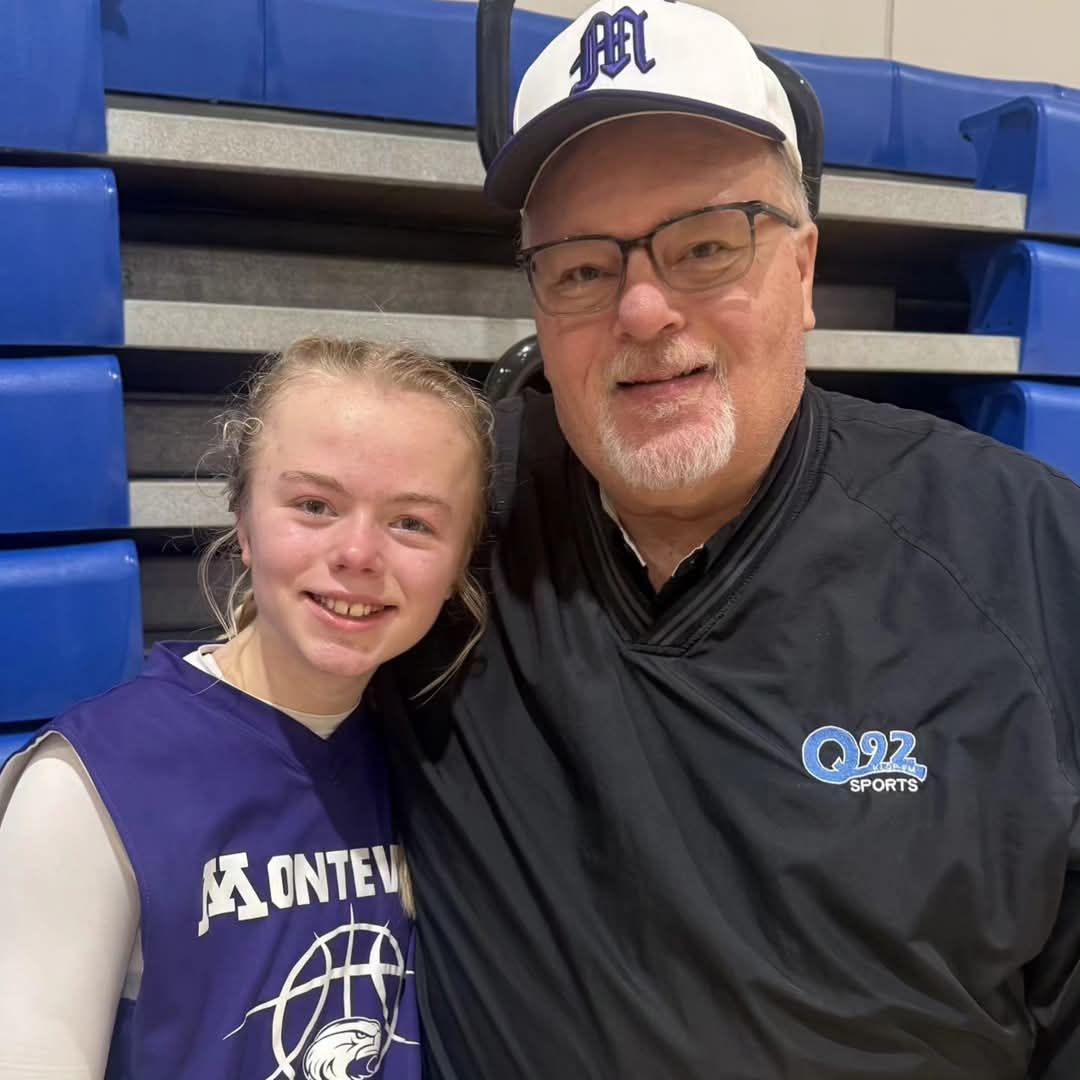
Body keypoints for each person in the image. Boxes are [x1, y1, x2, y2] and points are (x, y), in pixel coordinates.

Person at [377, 2, 1080, 1078]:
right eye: (581, 269)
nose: (644, 310)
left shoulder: (1023, 557)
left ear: (803, 270)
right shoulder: (439, 530)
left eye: (706, 245)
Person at [0, 337, 492, 1079]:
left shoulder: (449, 758)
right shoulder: (91, 782)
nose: (359, 553)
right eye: (315, 505)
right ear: (244, 522)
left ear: (459, 563)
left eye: (413, 523)